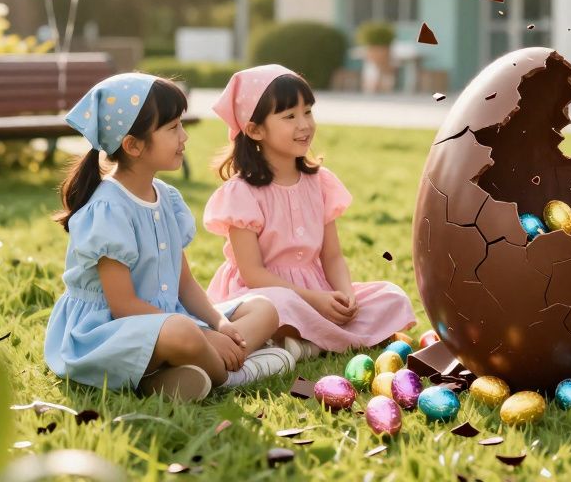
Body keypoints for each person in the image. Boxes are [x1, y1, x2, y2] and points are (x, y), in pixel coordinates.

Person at [44, 73, 292, 401]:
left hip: (167, 321)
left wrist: (219, 324)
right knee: (184, 331)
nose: (184, 136)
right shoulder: (108, 209)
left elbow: (185, 283)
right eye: (173, 127)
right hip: (108, 332)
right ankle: (234, 375)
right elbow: (123, 306)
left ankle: (165, 379)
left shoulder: (166, 197)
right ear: (133, 145)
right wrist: (203, 337)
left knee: (264, 308)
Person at [205, 65, 415, 361]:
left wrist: (345, 296)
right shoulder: (242, 193)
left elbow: (332, 256)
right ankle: (309, 340)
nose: (304, 124)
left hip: (319, 293)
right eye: (289, 116)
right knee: (278, 307)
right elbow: (253, 275)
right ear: (255, 130)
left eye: (308, 112)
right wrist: (314, 301)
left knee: (391, 296)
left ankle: (303, 343)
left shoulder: (320, 182)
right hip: (267, 294)